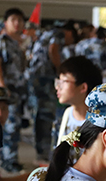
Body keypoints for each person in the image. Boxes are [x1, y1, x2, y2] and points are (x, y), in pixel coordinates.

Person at [27, 22, 76, 164]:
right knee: (46, 115)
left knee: (41, 115)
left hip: (36, 77)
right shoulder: (57, 34)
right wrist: (61, 71)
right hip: (45, 78)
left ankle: (41, 152)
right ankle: (44, 153)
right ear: (69, 32)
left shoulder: (45, 34)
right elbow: (53, 49)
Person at [0, 7, 28, 173]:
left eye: (20, 20)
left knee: (15, 125)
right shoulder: (3, 41)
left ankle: (10, 158)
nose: (17, 23)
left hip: (18, 90)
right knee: (10, 126)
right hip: (8, 90)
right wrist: (2, 86)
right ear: (6, 23)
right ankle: (8, 160)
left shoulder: (18, 43)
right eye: (13, 20)